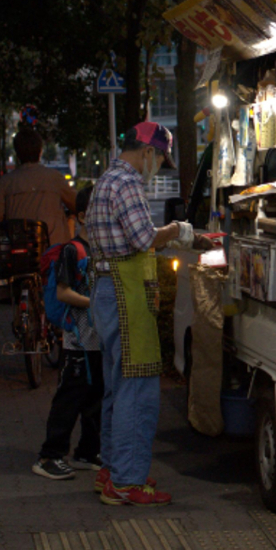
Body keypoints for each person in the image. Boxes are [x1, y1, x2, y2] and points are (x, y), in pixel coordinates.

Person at [88, 122, 216, 507]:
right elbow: (144, 238)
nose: (159, 166)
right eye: (160, 158)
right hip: (124, 296)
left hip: (106, 290)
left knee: (116, 386)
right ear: (146, 151)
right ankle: (128, 481)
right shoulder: (126, 183)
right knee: (137, 387)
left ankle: (112, 471)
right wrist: (181, 230)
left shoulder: (105, 180)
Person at [32, 186, 103, 479]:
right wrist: (97, 304)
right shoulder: (72, 251)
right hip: (77, 343)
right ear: (84, 216)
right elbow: (62, 293)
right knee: (69, 400)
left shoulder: (100, 250)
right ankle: (50, 456)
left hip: (97, 342)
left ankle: (87, 452)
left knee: (95, 398)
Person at [0, 127, 76, 302]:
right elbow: (75, 204)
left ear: (17, 153)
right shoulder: (54, 178)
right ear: (40, 151)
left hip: (18, 251)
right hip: (52, 249)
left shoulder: (5, 182)